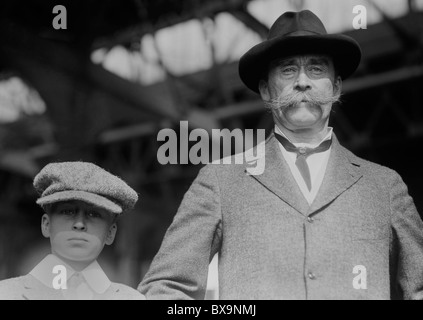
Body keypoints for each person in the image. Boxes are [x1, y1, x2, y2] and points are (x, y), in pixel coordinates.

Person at [138, 10, 423, 300]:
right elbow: (163, 288)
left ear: (336, 86)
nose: (302, 81)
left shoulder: (384, 187)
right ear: (265, 89)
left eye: (316, 69)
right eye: (288, 70)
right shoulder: (220, 180)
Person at [0, 161, 145, 300]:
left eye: (94, 214)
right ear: (46, 225)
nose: (79, 224)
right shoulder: (6, 294)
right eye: (68, 212)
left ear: (110, 233)